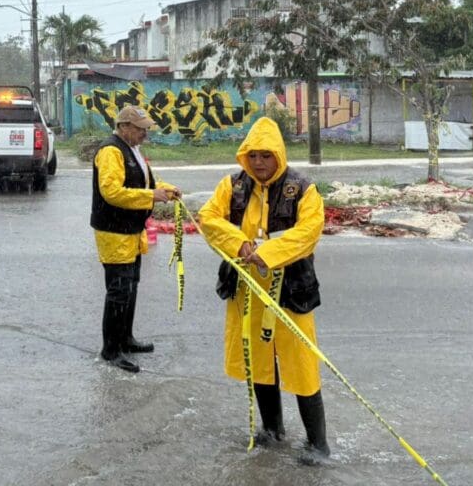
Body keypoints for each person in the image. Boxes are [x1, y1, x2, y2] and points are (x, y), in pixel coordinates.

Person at [197, 117, 330, 464]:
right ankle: (273, 430)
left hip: (292, 290)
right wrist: (240, 244)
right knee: (258, 361)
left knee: (301, 364)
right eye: (253, 155)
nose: (258, 162)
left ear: (279, 155)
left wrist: (268, 253)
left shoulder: (303, 189)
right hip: (247, 290)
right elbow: (209, 218)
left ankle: (318, 443)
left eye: (266, 155)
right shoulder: (233, 186)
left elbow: (309, 232)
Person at [91, 105, 181, 373]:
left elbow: (145, 183)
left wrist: (165, 190)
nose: (145, 134)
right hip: (114, 231)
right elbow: (112, 192)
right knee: (119, 291)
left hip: (131, 229)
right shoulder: (111, 151)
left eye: (146, 129)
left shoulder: (133, 150)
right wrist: (152, 196)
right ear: (124, 127)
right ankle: (110, 349)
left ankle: (125, 339)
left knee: (130, 287)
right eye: (141, 129)